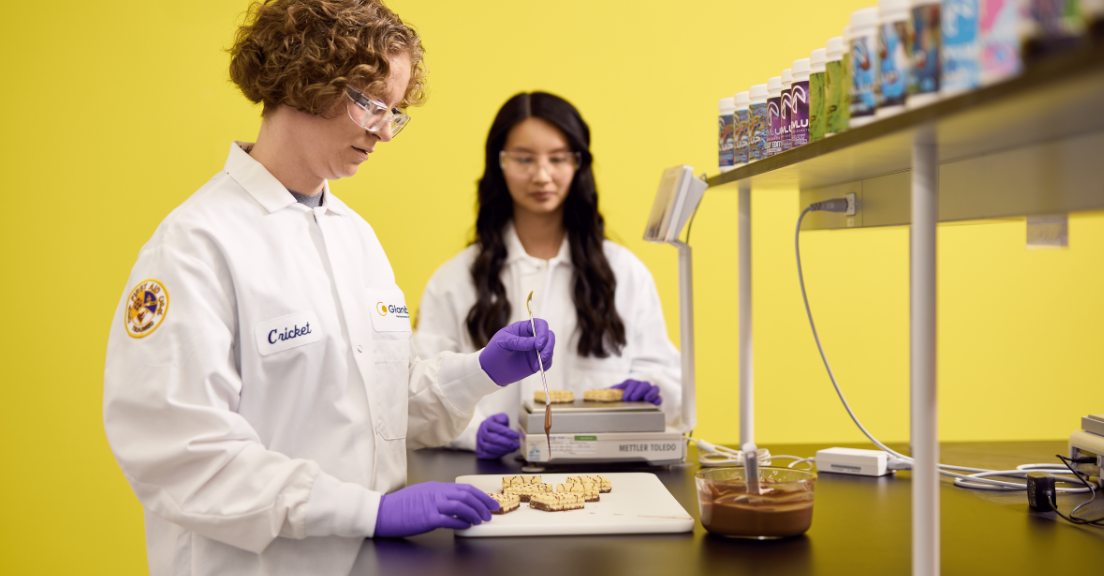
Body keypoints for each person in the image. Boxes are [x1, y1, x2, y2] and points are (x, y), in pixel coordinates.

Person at [102, 2, 554, 574]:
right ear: (306, 80)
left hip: (369, 562)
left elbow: (375, 405)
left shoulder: (355, 238)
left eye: (396, 111)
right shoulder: (194, 246)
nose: (386, 132)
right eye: (372, 105)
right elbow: (180, 454)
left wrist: (481, 371)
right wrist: (365, 512)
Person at [414, 92, 682, 460]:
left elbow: (666, 375)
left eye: (557, 159)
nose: (542, 175)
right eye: (524, 159)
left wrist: (651, 388)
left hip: (605, 472)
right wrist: (472, 432)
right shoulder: (453, 279)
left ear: (578, 164)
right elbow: (423, 388)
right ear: (500, 164)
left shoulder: (624, 272)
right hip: (492, 474)